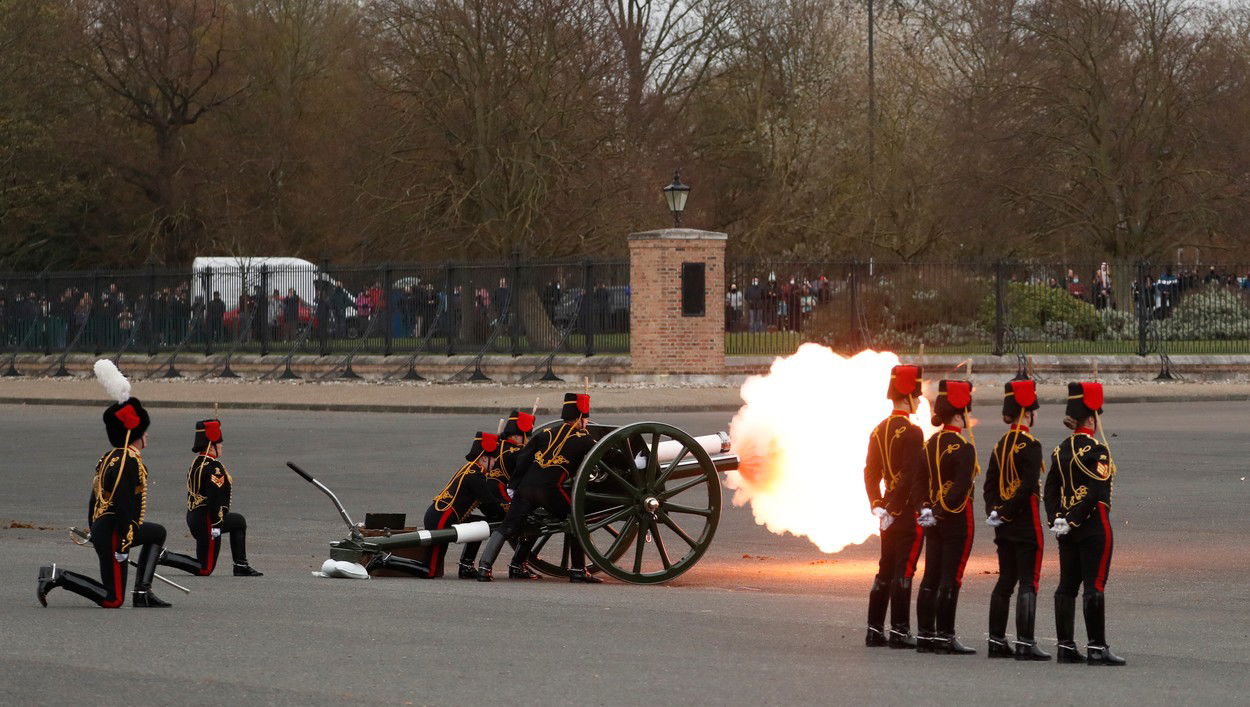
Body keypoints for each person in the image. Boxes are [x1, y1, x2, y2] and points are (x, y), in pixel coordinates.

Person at [37, 361, 171, 608]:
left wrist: (94, 529)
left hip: (106, 528)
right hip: (114, 531)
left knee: (157, 533)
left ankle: (142, 592)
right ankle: (58, 576)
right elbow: (122, 501)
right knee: (113, 599)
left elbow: (94, 499)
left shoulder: (109, 457)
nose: (148, 435)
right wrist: (125, 538)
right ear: (135, 434)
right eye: (144, 431)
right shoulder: (126, 461)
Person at [475, 393, 602, 583]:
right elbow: (604, 457)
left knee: (507, 527)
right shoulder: (584, 439)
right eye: (586, 418)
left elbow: (524, 458)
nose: (587, 422)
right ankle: (578, 570)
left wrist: (514, 485)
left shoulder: (546, 433)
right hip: (550, 490)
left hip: (525, 489)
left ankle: (484, 568)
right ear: (580, 419)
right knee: (575, 521)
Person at [1044, 382, 1126, 666]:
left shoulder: (1060, 450)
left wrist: (1058, 519)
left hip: (1066, 530)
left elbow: (1050, 491)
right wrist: (1075, 519)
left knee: (1067, 586)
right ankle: (1096, 647)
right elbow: (1096, 492)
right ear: (1091, 418)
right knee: (1094, 585)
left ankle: (1066, 646)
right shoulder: (1097, 450)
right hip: (1092, 527)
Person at [368, 432, 510, 579]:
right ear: (484, 458)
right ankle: (385, 560)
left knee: (478, 525)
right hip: (442, 519)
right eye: (493, 459)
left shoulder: (473, 469)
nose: (495, 463)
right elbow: (490, 504)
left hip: (447, 517)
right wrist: (507, 512)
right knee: (430, 571)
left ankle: (466, 566)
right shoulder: (475, 476)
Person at [983, 379, 1050, 660]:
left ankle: (997, 641)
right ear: (1027, 413)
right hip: (1024, 523)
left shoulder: (1000, 445)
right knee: (1028, 581)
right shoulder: (1031, 445)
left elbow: (988, 487)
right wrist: (1009, 511)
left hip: (1002, 524)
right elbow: (1027, 487)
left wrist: (995, 513)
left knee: (1005, 581)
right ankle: (1025, 642)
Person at [863, 364, 926, 649]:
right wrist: (890, 503)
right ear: (909, 395)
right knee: (904, 570)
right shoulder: (912, 432)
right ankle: (900, 631)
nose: (920, 400)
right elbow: (910, 474)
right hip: (906, 510)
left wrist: (877, 503)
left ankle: (874, 630)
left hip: (886, 514)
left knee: (884, 570)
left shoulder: (878, 430)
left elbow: (871, 472)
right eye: (917, 394)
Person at [913, 379, 978, 654]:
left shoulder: (930, 444)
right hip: (955, 518)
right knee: (951, 578)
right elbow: (961, 488)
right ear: (958, 414)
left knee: (930, 577)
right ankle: (945, 636)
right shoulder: (964, 448)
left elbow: (918, 484)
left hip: (931, 519)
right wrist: (939, 510)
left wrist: (925, 509)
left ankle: (926, 635)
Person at [158, 419, 262, 577]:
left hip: (195, 517)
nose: (221, 446)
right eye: (218, 443)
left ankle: (240, 564)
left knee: (238, 522)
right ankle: (166, 556)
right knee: (204, 568)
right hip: (208, 520)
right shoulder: (214, 467)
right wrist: (216, 524)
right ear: (210, 445)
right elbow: (215, 499)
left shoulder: (197, 462)